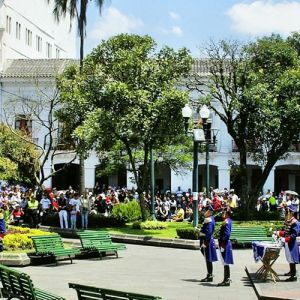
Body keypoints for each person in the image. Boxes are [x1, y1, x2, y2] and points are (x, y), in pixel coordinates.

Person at [275, 204, 300, 281]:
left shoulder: (295, 222)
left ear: (291, 212)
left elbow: (293, 235)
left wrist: (285, 239)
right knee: (289, 258)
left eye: (287, 211)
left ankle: (293, 276)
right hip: (287, 243)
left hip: (292, 243)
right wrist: (279, 233)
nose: (286, 212)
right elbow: (286, 232)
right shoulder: (288, 220)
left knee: (292, 259)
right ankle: (291, 272)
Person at [199, 205, 218, 282]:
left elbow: (209, 233)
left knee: (208, 259)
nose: (203, 212)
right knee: (207, 259)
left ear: (209, 212)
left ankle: (209, 275)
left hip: (207, 241)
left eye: (205, 211)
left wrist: (205, 243)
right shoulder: (209, 219)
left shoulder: (209, 220)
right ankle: (209, 274)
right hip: (207, 241)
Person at [217, 208, 234, 286]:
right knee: (225, 262)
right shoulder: (229, 221)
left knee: (225, 262)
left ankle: (226, 280)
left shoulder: (226, 221)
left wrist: (222, 242)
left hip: (224, 244)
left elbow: (227, 234)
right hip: (225, 243)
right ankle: (227, 279)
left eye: (224, 212)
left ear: (227, 214)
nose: (222, 214)